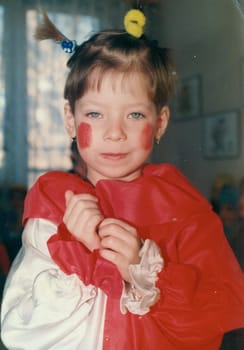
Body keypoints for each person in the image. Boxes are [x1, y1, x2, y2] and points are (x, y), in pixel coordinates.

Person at [1, 4, 244, 350]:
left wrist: (141, 270)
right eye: (96, 113)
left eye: (133, 114)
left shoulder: (185, 209)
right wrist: (77, 258)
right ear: (70, 120)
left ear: (159, 123)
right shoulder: (54, 203)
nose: (114, 132)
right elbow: (19, 330)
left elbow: (212, 319)